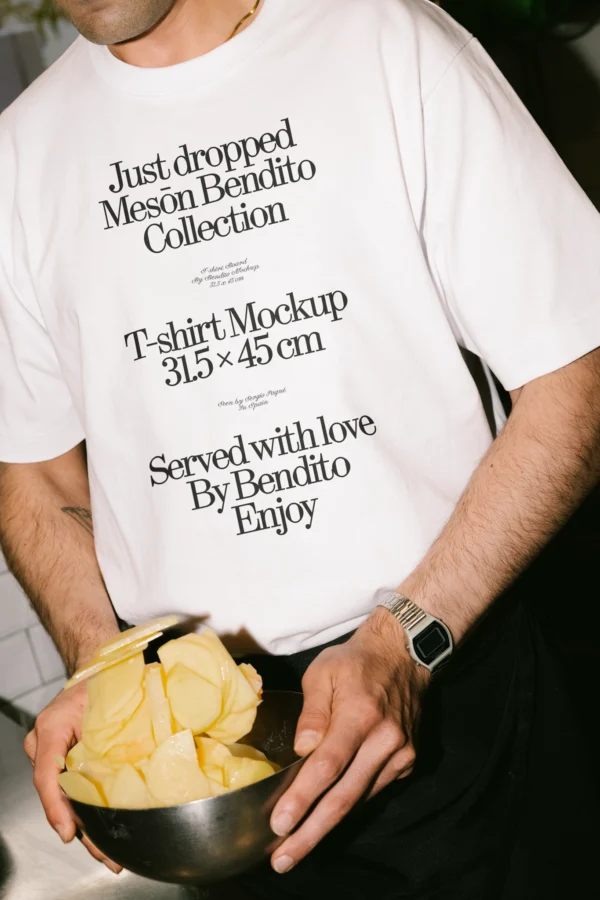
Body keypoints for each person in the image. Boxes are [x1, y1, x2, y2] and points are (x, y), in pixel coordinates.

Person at [1, 0, 599, 896]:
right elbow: (34, 464)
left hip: (452, 683)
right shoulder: (20, 154)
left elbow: (574, 376)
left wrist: (403, 642)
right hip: (211, 766)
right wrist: (104, 665)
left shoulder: (387, 41)